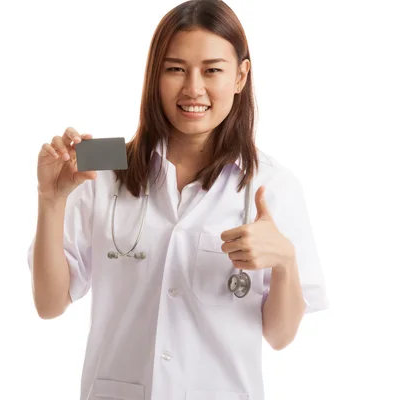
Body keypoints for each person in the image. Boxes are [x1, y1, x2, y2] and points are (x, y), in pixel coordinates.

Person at [27, 1, 328, 399]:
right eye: (175, 69)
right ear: (154, 76)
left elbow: (280, 336)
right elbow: (49, 304)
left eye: (212, 70)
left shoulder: (273, 184)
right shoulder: (101, 164)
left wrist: (285, 262)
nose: (193, 89)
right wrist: (50, 200)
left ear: (240, 76)